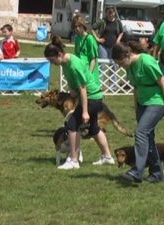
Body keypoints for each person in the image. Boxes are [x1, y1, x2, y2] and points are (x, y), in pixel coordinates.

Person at [44, 36, 115, 170]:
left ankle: (74, 160)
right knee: (93, 128)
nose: (51, 63)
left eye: (51, 59)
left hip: (92, 98)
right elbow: (74, 89)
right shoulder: (65, 63)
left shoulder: (73, 65)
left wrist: (84, 111)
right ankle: (107, 157)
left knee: (72, 125)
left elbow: (83, 88)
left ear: (59, 54)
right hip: (93, 98)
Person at [111, 42, 164, 183]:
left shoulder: (146, 61)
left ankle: (137, 171)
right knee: (147, 137)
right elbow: (136, 87)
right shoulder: (129, 67)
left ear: (127, 55)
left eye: (120, 63)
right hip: (142, 104)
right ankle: (157, 173)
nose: (120, 66)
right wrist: (136, 107)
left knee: (140, 132)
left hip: (157, 102)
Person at [91, 6, 123, 91]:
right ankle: (99, 85)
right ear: (106, 13)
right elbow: (92, 29)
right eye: (109, 12)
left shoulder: (117, 22)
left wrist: (118, 40)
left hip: (113, 47)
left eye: (112, 12)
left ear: (114, 13)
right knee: (102, 65)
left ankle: (113, 86)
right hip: (103, 46)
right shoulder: (102, 22)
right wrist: (97, 39)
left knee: (113, 65)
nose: (111, 14)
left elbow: (121, 32)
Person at [72, 15, 100, 86]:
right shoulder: (77, 39)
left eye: (79, 26)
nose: (77, 29)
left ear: (83, 26)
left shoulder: (89, 38)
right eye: (75, 27)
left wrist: (88, 75)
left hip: (89, 73)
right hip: (80, 71)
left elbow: (93, 59)